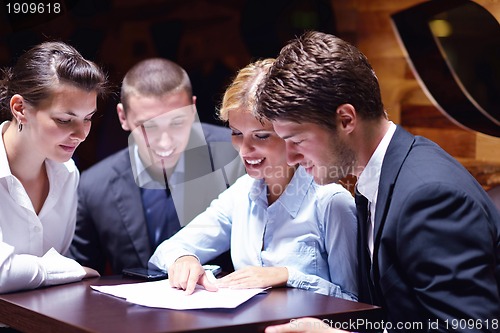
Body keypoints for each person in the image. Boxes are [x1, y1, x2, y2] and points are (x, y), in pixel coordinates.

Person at [256, 31, 500, 332]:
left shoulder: (429, 196)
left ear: (346, 119)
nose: (290, 157)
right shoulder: (374, 178)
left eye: (297, 140)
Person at [148, 58, 358, 300]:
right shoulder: (242, 193)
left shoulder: (332, 202)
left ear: (290, 132)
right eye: (237, 133)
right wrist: (185, 259)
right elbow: (166, 251)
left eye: (260, 136)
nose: (244, 150)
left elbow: (356, 303)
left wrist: (288, 276)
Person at [69, 58, 245, 275]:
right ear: (123, 117)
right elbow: (80, 279)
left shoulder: (239, 155)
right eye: (148, 126)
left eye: (177, 122)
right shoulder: (93, 185)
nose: (164, 142)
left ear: (192, 110)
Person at [0, 41, 107, 294]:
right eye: (64, 120)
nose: (81, 134)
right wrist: (70, 270)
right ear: (20, 109)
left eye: (88, 118)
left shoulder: (68, 173)